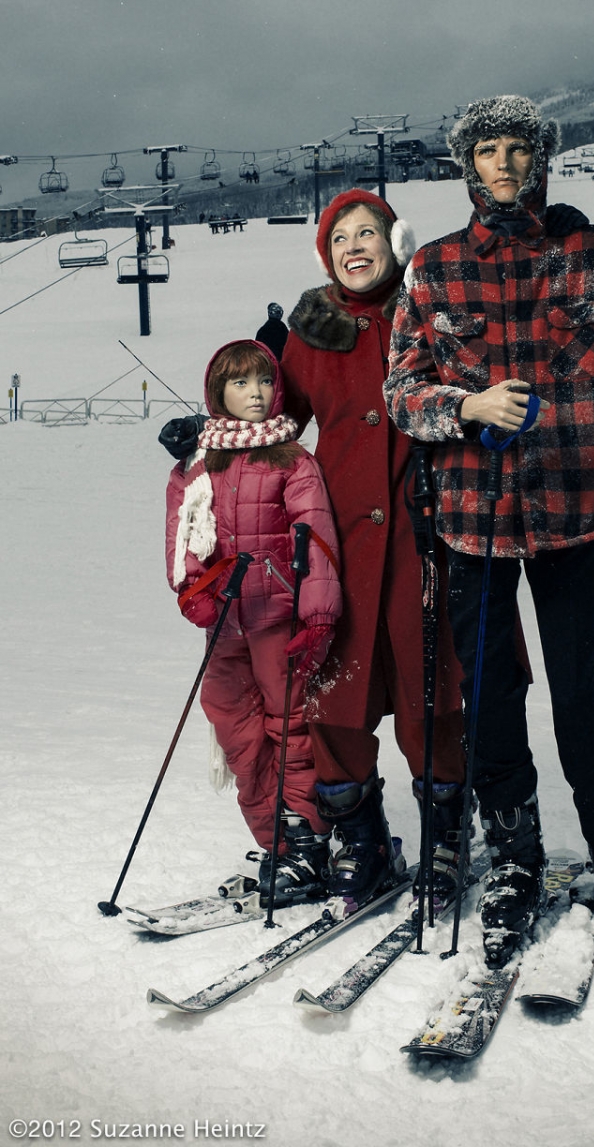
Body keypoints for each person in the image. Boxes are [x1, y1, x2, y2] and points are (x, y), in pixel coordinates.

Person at [384, 95, 594, 965]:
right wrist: (463, 404)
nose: (504, 163)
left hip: (577, 504)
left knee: (578, 688)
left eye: (518, 149)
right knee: (492, 696)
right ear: (467, 165)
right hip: (473, 518)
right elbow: (400, 393)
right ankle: (513, 854)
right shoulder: (432, 270)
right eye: (489, 150)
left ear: (542, 158)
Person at [280, 189, 466, 914]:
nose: (354, 246)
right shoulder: (310, 332)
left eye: (368, 233)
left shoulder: (431, 311)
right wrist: (219, 436)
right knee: (336, 689)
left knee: (431, 687)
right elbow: (276, 418)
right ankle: (358, 835)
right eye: (339, 239)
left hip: (426, 538)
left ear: (396, 241)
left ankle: (445, 833)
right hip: (339, 545)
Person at [165, 339, 342, 908]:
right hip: (225, 623)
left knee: (289, 728)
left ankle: (309, 843)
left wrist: (317, 612)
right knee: (233, 723)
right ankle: (275, 840)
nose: (256, 394)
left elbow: (317, 537)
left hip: (277, 619)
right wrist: (191, 590)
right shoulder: (200, 464)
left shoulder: (293, 460)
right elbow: (183, 530)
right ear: (219, 394)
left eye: (264, 382)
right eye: (241, 384)